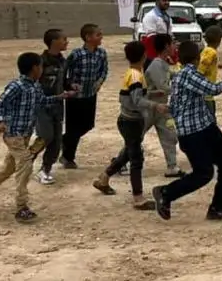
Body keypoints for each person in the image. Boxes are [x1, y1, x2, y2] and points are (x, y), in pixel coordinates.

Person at [151, 40, 222, 222]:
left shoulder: (181, 75)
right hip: (195, 134)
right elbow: (213, 89)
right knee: (204, 173)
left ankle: (218, 208)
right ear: (197, 57)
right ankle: (166, 193)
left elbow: (177, 104)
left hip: (205, 128)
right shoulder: (188, 75)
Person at [0, 52, 74, 222]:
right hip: (13, 135)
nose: (42, 70)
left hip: (25, 135)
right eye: (41, 67)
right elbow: (0, 103)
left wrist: (60, 97)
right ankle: (22, 206)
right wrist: (0, 122)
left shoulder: (35, 87)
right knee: (25, 165)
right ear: (35, 68)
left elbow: (41, 101)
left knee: (8, 168)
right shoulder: (16, 86)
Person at [92, 41, 166, 210]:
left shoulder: (132, 73)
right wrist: (156, 105)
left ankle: (104, 178)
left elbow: (133, 95)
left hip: (129, 120)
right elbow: (137, 100)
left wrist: (153, 94)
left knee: (128, 153)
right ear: (144, 56)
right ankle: (138, 198)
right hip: (131, 121)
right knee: (136, 159)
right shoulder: (136, 76)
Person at [61, 23, 109, 168]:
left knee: (88, 125)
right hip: (75, 97)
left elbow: (104, 71)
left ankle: (64, 141)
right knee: (73, 128)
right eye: (98, 34)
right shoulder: (76, 54)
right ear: (88, 37)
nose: (101, 37)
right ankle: (67, 157)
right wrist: (69, 85)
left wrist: (99, 83)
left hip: (90, 95)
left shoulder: (102, 53)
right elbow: (64, 72)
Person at [144, 33, 184, 177]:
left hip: (161, 108)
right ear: (166, 46)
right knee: (136, 137)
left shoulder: (164, 63)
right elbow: (163, 86)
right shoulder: (156, 64)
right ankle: (121, 162)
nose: (175, 46)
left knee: (169, 135)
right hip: (149, 108)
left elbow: (173, 76)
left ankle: (172, 166)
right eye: (173, 43)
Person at [36, 28, 71, 185]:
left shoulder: (63, 61)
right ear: (53, 42)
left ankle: (45, 169)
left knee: (57, 140)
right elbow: (33, 85)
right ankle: (26, 160)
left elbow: (63, 81)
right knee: (46, 137)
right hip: (42, 106)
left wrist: (71, 87)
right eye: (63, 39)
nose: (66, 41)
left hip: (58, 106)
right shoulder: (40, 62)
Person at [139, 0, 174, 65]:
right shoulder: (150, 16)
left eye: (168, 0)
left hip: (164, 53)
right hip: (154, 54)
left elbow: (169, 36)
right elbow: (151, 39)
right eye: (164, 0)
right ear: (157, 1)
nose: (167, 3)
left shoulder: (168, 17)